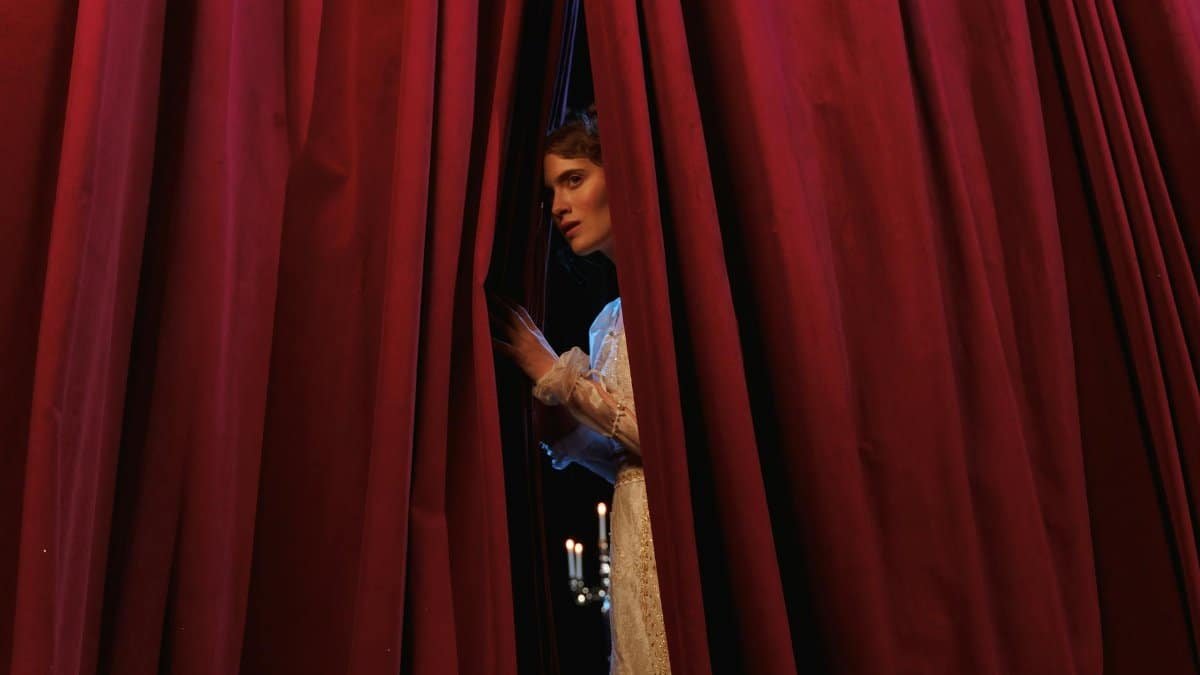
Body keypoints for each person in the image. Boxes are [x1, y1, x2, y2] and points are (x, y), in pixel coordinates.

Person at [488, 107, 671, 675]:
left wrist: (561, 377)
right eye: (552, 192)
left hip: (674, 547)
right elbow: (630, 461)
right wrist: (566, 422)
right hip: (632, 532)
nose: (560, 207)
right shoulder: (608, 321)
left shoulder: (669, 297)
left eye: (574, 179)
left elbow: (671, 446)